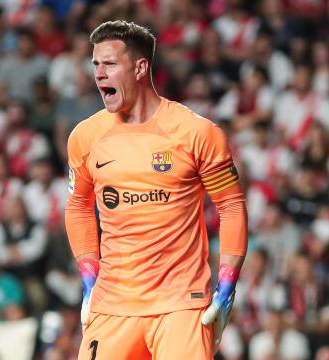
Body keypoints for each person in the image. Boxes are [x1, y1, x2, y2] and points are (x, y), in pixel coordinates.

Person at [65, 21, 248, 359]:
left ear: (140, 67)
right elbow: (78, 207)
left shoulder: (196, 133)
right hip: (113, 304)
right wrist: (89, 277)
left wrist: (227, 285)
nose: (99, 74)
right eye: (95, 65)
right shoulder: (85, 137)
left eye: (109, 64)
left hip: (181, 304)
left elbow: (232, 206)